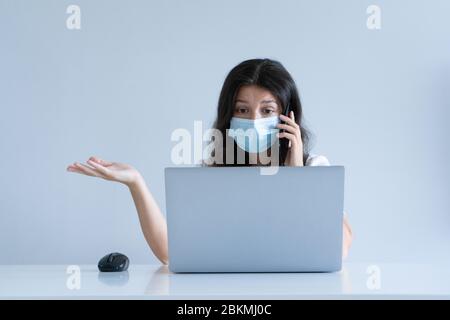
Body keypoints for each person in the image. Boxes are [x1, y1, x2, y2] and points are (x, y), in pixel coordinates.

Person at [67, 58, 353, 265]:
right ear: (228, 117)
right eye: (242, 109)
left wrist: (296, 174)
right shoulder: (214, 177)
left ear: (288, 117)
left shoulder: (315, 170)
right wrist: (135, 183)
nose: (254, 120)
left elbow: (337, 248)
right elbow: (170, 252)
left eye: (267, 110)